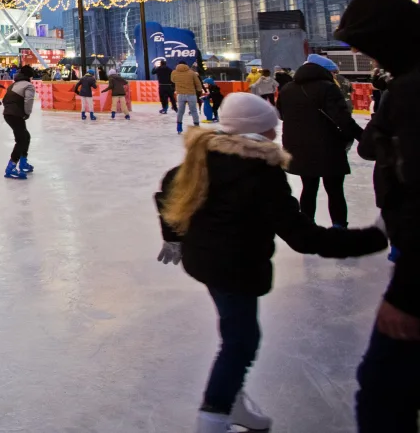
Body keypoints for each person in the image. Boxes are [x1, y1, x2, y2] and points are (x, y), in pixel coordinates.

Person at [155, 91, 387, 433]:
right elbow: (304, 237)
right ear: (257, 130)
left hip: (205, 261)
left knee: (235, 333)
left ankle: (231, 398)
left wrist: (173, 236)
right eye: (270, 126)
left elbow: (167, 191)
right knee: (240, 342)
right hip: (235, 268)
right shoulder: (260, 172)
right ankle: (214, 416)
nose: (276, 130)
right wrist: (375, 237)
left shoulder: (203, 155)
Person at [333, 0, 420, 429]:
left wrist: (406, 295)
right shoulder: (405, 85)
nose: (365, 56)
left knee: (384, 389)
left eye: (367, 46)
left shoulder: (411, 90)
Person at [277, 53, 362, 229]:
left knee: (308, 188)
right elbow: (343, 119)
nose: (335, 76)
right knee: (335, 190)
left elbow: (282, 115)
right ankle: (339, 228)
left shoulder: (287, 88)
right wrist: (364, 138)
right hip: (328, 147)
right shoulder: (328, 88)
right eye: (333, 73)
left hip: (298, 147)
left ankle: (307, 227)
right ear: (324, 71)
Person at [2, 65, 37, 179]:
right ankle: (11, 167)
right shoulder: (28, 85)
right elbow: (28, 101)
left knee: (25, 136)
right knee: (21, 139)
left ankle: (23, 162)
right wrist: (27, 113)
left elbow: (4, 100)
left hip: (8, 114)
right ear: (29, 76)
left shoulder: (13, 84)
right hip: (15, 114)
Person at [172, 61, 205, 133]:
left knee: (180, 111)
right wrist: (199, 90)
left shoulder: (174, 72)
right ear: (186, 65)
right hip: (191, 94)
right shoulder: (192, 73)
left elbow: (173, 80)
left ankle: (179, 127)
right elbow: (198, 83)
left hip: (180, 94)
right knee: (193, 111)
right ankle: (196, 126)